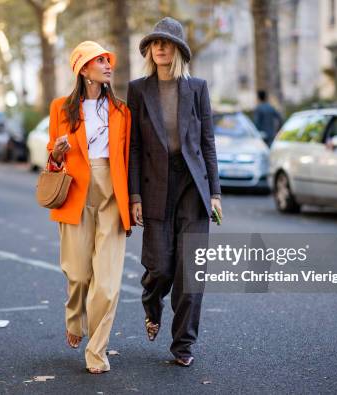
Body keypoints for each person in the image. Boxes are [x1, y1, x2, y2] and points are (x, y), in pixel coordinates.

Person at [127, 17, 223, 367]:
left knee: (190, 274)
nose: (160, 47)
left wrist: (214, 191)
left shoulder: (197, 88)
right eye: (155, 42)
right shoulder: (138, 90)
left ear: (178, 50)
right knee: (161, 267)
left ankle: (183, 345)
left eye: (167, 43)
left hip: (192, 187)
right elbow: (133, 148)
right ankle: (152, 304)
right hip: (155, 187)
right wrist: (134, 196)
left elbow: (207, 143)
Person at [46, 41, 132, 374]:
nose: (108, 66)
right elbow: (52, 161)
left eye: (108, 60)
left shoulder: (122, 111)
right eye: (100, 61)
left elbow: (129, 159)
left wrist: (134, 201)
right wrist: (58, 150)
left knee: (107, 285)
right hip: (76, 193)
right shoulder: (60, 109)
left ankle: (97, 351)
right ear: (84, 69)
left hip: (112, 193)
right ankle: (74, 319)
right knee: (79, 274)